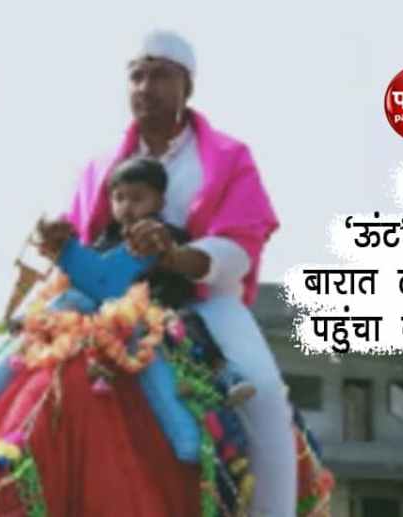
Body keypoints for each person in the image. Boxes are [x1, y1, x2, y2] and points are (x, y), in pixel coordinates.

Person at [38, 29, 296, 516]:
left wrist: (174, 257)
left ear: (187, 87)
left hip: (201, 301)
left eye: (160, 75)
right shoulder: (100, 164)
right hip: (106, 305)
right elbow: (80, 243)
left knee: (265, 395)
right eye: (136, 75)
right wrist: (57, 242)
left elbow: (241, 243)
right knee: (22, 367)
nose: (145, 86)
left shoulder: (227, 157)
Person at [42, 155, 257, 409]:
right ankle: (35, 332)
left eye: (136, 198)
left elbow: (182, 276)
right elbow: (88, 273)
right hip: (107, 315)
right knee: (66, 301)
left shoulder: (168, 237)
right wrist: (62, 248)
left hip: (157, 310)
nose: (126, 206)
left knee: (189, 320)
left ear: (159, 201)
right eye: (119, 198)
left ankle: (225, 374)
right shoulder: (105, 239)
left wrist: (167, 262)